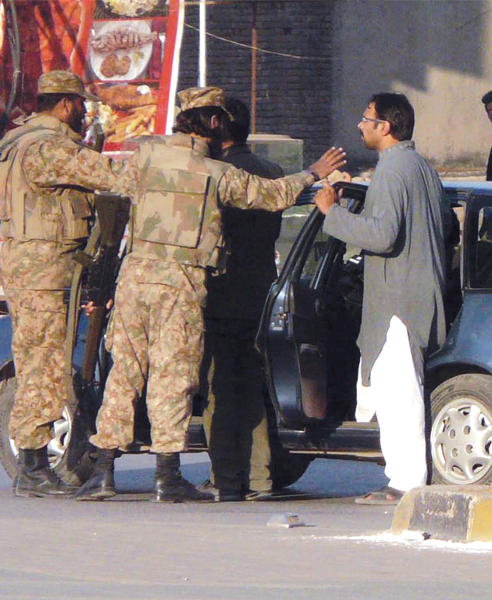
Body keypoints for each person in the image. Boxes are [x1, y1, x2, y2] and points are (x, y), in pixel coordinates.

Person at [74, 87, 345, 502]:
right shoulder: (214, 172)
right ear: (215, 122)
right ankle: (166, 476)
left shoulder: (145, 158)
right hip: (181, 283)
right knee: (172, 376)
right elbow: (271, 195)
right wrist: (312, 173)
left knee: (124, 373)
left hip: (135, 277)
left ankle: (104, 470)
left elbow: (109, 190)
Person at [0, 70, 127, 498]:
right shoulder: (50, 147)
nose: (83, 114)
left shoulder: (14, 141)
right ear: (65, 104)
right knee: (43, 366)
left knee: (35, 360)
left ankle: (32, 464)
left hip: (28, 263)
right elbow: (114, 177)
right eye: (81, 105)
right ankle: (32, 468)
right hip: (45, 269)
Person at [313, 92, 448, 505]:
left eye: (365, 118)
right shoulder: (420, 166)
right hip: (418, 292)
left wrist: (331, 213)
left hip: (398, 300)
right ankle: (404, 478)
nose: (360, 125)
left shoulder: (393, 169)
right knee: (398, 389)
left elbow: (383, 234)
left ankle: (404, 483)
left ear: (384, 126)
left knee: (398, 393)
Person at [199, 97, 284, 502]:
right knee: (252, 386)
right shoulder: (272, 170)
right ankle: (260, 477)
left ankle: (226, 477)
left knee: (221, 388)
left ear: (217, 127)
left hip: (222, 291)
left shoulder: (218, 174)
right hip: (262, 291)